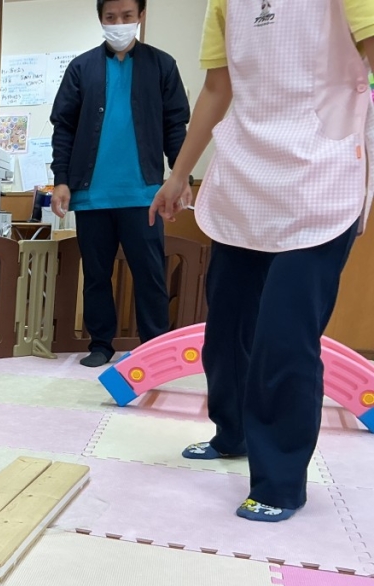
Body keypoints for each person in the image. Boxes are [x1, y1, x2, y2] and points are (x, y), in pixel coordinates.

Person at [151, 0, 374, 521]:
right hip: (247, 176)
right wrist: (180, 173)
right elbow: (216, 88)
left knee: (284, 337)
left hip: (323, 172)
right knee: (226, 329)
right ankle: (233, 434)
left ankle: (279, 483)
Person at [49, 0, 191, 367]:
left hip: (144, 193)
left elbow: (177, 126)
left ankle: (155, 347)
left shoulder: (162, 65)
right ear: (100, 19)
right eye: (110, 17)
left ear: (140, 16)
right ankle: (100, 344)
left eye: (127, 16)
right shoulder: (81, 68)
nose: (119, 24)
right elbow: (63, 127)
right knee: (96, 274)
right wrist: (61, 180)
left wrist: (181, 176)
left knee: (150, 273)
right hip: (91, 193)